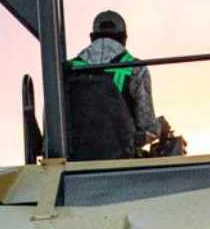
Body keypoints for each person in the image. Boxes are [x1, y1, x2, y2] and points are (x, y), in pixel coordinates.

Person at [67, 11, 160, 159]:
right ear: (124, 38)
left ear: (92, 37)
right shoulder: (136, 68)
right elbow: (146, 127)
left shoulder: (68, 69)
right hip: (120, 158)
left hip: (74, 159)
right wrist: (158, 128)